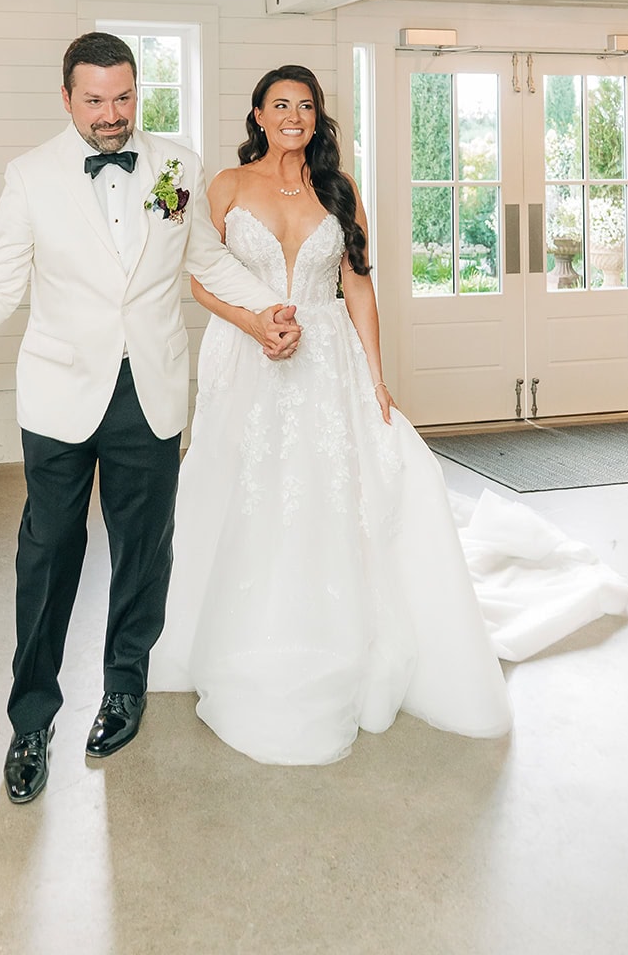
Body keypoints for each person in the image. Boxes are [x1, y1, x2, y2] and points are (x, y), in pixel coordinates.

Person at [0, 33, 301, 803]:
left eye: (123, 97)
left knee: (141, 552)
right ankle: (31, 718)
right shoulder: (30, 176)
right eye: (93, 100)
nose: (110, 114)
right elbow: (1, 284)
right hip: (59, 393)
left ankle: (123, 687)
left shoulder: (173, 167)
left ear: (137, 92)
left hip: (149, 389)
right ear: (66, 98)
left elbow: (202, 258)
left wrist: (267, 306)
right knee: (48, 553)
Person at [149, 65, 520, 764]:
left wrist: (378, 378)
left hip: (327, 356)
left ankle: (333, 626)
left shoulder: (339, 190)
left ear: (316, 118)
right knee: (242, 484)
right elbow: (198, 278)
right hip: (245, 351)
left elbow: (358, 286)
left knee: (328, 487)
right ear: (257, 115)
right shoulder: (226, 186)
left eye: (305, 105)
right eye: (279, 104)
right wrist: (254, 322)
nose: (293, 115)